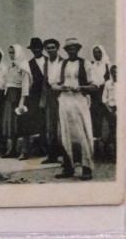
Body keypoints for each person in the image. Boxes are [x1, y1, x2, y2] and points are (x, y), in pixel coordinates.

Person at [53, 38, 95, 180]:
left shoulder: (85, 63)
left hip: (80, 100)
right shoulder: (61, 64)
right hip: (65, 100)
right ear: (65, 50)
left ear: (78, 49)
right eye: (69, 48)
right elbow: (53, 84)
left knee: (83, 132)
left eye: (74, 48)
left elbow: (94, 85)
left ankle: (87, 168)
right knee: (65, 133)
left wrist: (81, 87)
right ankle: (68, 167)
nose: (71, 50)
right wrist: (62, 87)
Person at [1, 44, 30, 158]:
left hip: (19, 97)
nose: (11, 55)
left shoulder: (23, 66)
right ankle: (11, 149)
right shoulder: (10, 66)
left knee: (22, 123)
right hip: (10, 96)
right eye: (9, 52)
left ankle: (24, 151)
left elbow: (25, 85)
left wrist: (22, 101)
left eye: (13, 52)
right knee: (11, 124)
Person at [41, 38, 64, 164]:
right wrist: (43, 100)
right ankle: (52, 155)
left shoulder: (63, 62)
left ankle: (66, 155)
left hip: (62, 94)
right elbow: (45, 82)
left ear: (57, 48)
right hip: (50, 96)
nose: (50, 50)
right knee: (51, 127)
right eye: (48, 48)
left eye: (53, 47)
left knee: (63, 126)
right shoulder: (46, 63)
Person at [89, 44, 111, 158]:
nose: (96, 54)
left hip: (105, 97)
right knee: (95, 123)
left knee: (110, 122)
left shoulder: (107, 65)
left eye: (98, 52)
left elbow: (110, 82)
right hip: (95, 97)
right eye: (94, 52)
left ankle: (108, 146)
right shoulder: (91, 65)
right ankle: (96, 149)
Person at [103, 64, 117, 162]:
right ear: (111, 73)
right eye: (113, 72)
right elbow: (104, 99)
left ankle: (108, 148)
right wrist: (109, 109)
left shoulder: (122, 83)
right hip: (110, 109)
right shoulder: (108, 84)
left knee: (117, 131)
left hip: (120, 109)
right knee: (113, 130)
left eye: (116, 72)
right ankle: (109, 150)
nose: (115, 74)